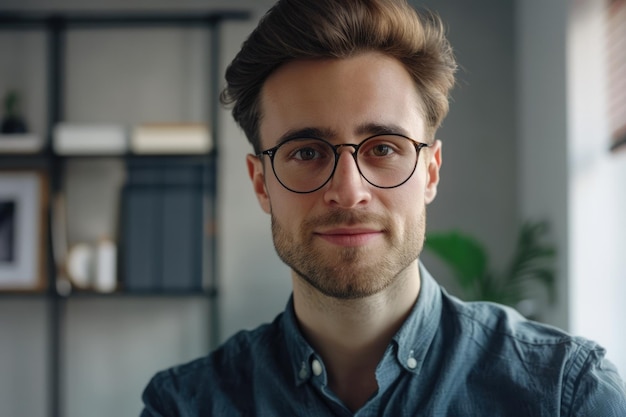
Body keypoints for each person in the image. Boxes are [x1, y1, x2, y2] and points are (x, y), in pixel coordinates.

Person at [140, 0, 626, 415]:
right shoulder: (184, 405)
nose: (349, 192)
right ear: (261, 183)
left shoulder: (566, 394)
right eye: (307, 152)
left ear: (430, 172)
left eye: (384, 148)